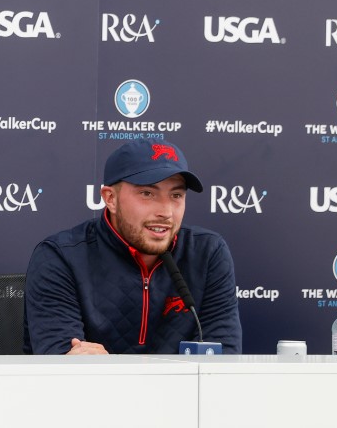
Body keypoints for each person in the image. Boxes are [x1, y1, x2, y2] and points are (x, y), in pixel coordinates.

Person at [25, 138, 241, 355]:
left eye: (176, 195)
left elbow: (222, 362)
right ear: (110, 198)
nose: (165, 212)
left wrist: (109, 368)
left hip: (178, 390)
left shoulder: (208, 253)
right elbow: (62, 368)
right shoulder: (59, 257)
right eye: (147, 194)